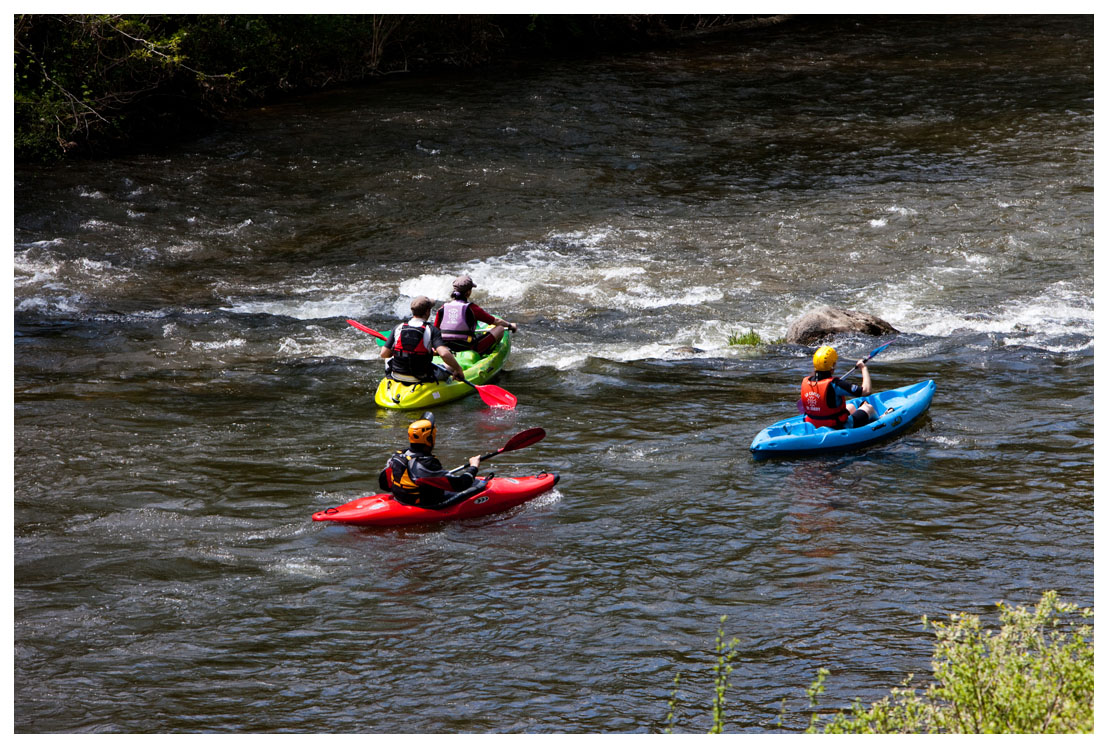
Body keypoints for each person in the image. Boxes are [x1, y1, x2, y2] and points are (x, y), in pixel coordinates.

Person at [378, 412, 484, 508]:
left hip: (400, 499)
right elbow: (461, 485)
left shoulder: (397, 456)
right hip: (422, 504)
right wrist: (474, 466)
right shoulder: (427, 464)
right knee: (478, 486)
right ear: (429, 439)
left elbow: (384, 484)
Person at [380, 295, 468, 384]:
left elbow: (384, 354)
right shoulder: (432, 330)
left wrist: (398, 352)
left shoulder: (398, 327)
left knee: (388, 358)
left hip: (396, 375)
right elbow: (444, 354)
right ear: (427, 312)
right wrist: (458, 369)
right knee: (450, 367)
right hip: (422, 377)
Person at [433, 274, 518, 354]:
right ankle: (486, 353)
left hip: (444, 347)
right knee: (500, 329)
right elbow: (495, 321)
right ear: (468, 292)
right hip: (467, 347)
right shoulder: (472, 308)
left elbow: (435, 331)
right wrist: (510, 325)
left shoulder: (442, 308)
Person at [800, 345, 878, 429]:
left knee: (851, 406)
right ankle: (880, 420)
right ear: (833, 366)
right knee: (868, 408)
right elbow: (866, 391)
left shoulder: (806, 381)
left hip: (813, 424)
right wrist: (863, 367)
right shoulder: (835, 384)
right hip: (837, 426)